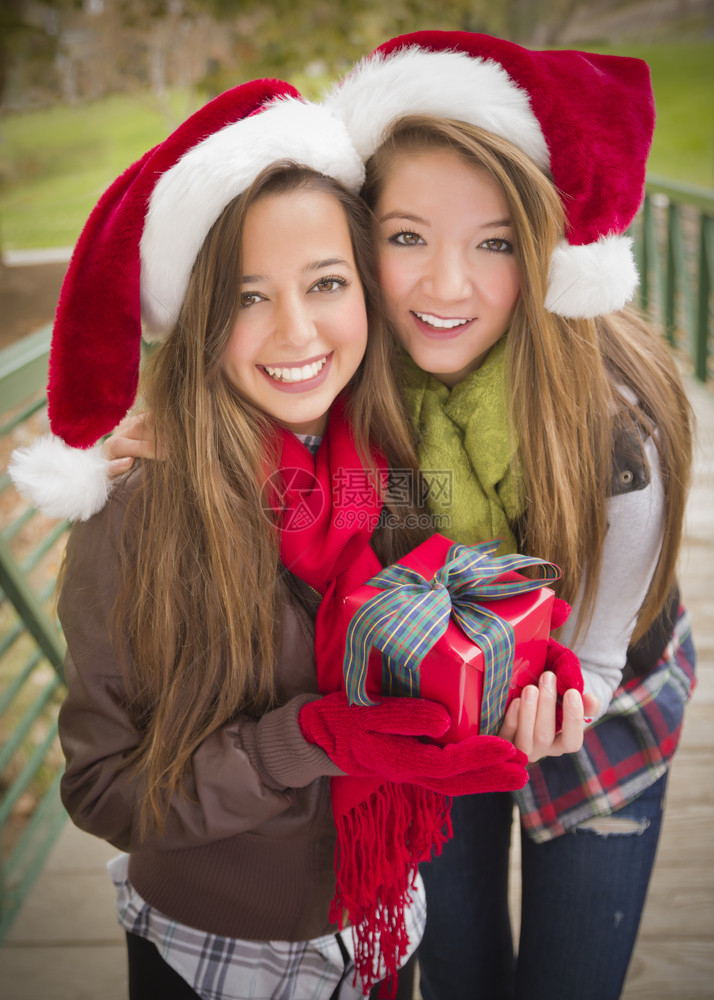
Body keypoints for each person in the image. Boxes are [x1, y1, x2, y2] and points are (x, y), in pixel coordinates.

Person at [8, 79, 538, 1000]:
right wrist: (301, 742)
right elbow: (102, 792)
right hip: (214, 952)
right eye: (249, 297)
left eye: (326, 283)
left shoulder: (395, 473)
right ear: (201, 318)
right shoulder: (142, 509)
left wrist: (520, 666)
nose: (296, 332)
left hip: (378, 910)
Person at [319, 31, 696, 1000]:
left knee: (575, 969)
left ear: (546, 248)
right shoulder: (347, 375)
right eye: (407, 237)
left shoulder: (616, 423)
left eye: (493, 243)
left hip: (594, 686)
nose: (448, 286)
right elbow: (316, 495)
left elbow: (603, 652)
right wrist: (169, 445)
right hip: (436, 685)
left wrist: (575, 694)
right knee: (456, 964)